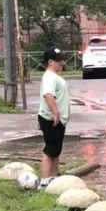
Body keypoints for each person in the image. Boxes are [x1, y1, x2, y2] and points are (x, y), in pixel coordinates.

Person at [38, 46, 70, 187]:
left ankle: (53, 177)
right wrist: (56, 112)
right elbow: (48, 95)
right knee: (50, 149)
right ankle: (45, 180)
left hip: (57, 119)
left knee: (56, 150)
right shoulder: (50, 77)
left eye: (62, 59)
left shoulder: (54, 76)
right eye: (58, 61)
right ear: (50, 62)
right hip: (52, 118)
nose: (62, 63)